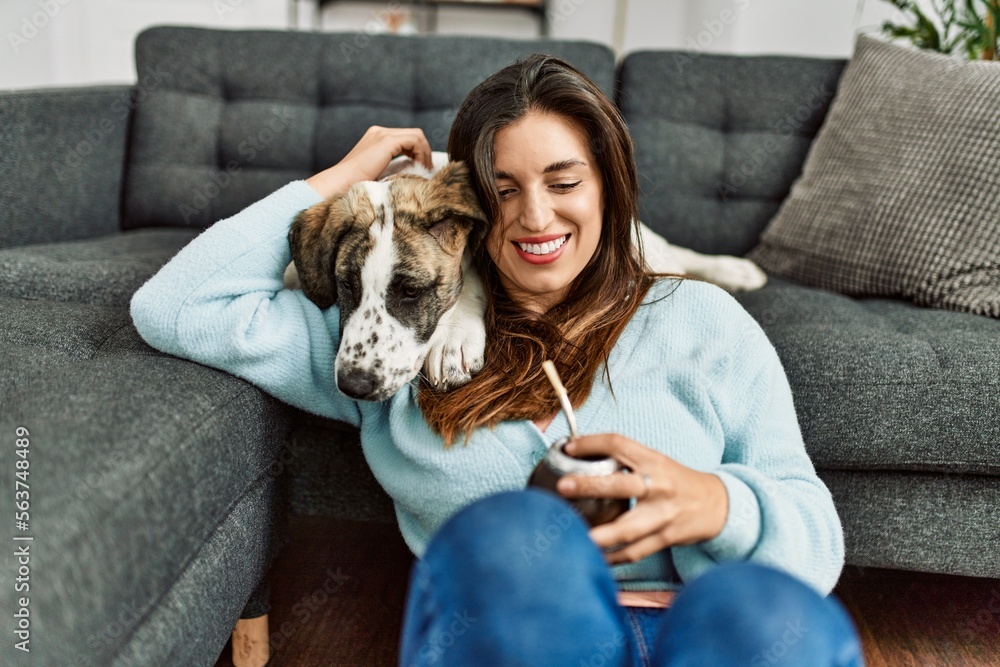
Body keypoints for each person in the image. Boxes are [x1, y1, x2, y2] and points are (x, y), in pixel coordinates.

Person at [131, 54, 864, 666]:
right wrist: (346, 178)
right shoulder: (382, 352)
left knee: (766, 617)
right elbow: (176, 306)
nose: (536, 217)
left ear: (609, 186)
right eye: (504, 189)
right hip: (526, 635)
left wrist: (718, 503)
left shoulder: (703, 322)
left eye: (564, 181)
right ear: (466, 209)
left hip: (700, 632)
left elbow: (814, 538)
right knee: (511, 543)